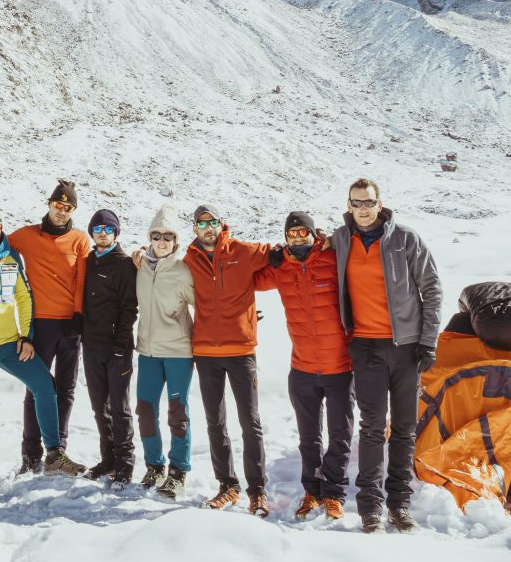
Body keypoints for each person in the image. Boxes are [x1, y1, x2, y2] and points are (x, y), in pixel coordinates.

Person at [331, 178, 442, 533]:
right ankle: (370, 506)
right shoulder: (340, 240)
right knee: (373, 428)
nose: (363, 208)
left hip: (406, 348)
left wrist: (428, 342)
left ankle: (399, 503)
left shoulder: (405, 239)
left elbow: (432, 289)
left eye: (369, 202)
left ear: (380, 204)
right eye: (357, 202)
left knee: (405, 429)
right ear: (348, 205)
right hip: (365, 347)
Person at [0, 203, 84, 494]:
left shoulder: (11, 257)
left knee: (45, 386)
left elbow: (24, 298)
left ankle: (54, 454)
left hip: (11, 344)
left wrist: (27, 336)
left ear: (0, 228)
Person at [255, 212, 354, 520]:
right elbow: (247, 281)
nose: (298, 238)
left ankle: (333, 492)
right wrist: (262, 257)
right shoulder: (280, 267)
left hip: (339, 366)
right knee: (308, 437)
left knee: (340, 434)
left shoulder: (332, 259)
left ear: (314, 234)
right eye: (292, 234)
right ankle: (312, 491)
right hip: (302, 368)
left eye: (303, 233)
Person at [184, 205, 271, 516]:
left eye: (213, 222)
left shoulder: (243, 251)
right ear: (194, 228)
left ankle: (257, 490)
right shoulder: (189, 260)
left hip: (241, 351)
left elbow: (280, 255)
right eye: (202, 224)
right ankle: (228, 485)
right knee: (215, 423)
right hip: (206, 353)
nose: (208, 228)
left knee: (251, 422)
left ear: (221, 224)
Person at [9, 180, 90, 473]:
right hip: (40, 325)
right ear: (49, 204)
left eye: (68, 208)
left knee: (66, 389)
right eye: (58, 205)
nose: (62, 212)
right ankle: (30, 454)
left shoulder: (80, 240)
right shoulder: (27, 236)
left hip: (70, 326)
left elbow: (81, 279)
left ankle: (58, 453)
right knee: (37, 387)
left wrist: (79, 315)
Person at [134, 206, 195, 499]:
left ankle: (178, 472)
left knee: (177, 412)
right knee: (145, 411)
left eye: (167, 236)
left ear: (175, 241)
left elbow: (208, 306)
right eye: (156, 235)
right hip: (147, 351)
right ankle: (154, 466)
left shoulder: (184, 272)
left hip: (179, 352)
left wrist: (240, 317)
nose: (161, 241)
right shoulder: (141, 266)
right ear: (149, 238)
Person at [81, 209, 138, 489]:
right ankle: (108, 459)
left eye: (108, 230)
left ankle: (125, 464)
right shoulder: (89, 260)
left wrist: (121, 343)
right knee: (98, 406)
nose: (102, 234)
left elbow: (130, 308)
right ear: (92, 233)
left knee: (119, 407)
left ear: (116, 234)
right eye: (98, 229)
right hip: (91, 345)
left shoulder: (124, 264)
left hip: (118, 347)